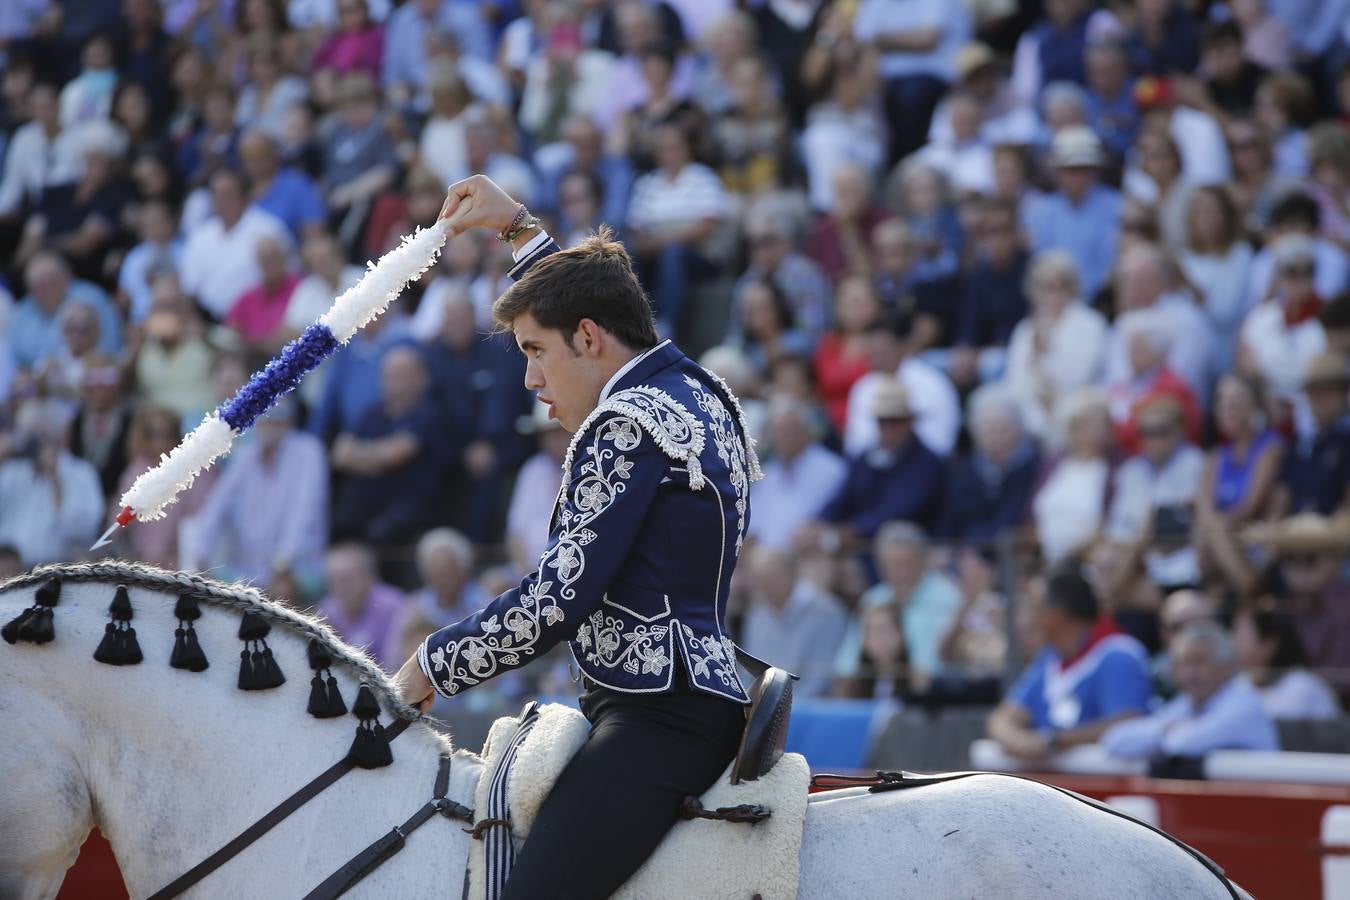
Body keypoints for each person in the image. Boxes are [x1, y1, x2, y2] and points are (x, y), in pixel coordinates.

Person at [395, 174, 756, 900]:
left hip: (659, 715)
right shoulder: (697, 391)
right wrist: (520, 230)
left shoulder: (622, 425)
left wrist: (430, 666)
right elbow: (590, 299)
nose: (531, 378)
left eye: (534, 352)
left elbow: (556, 600)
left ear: (589, 339)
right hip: (698, 697)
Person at [986, 567, 1151, 760]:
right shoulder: (1049, 658)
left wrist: (1054, 741)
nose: (1026, 620)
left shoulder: (1119, 654)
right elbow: (1003, 717)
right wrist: (1018, 741)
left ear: (1057, 614)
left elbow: (1129, 724)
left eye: (1033, 608)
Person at [1100, 622, 1279, 761]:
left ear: (1226, 666)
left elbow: (1183, 744)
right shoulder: (1187, 703)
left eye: (1199, 662)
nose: (1190, 673)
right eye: (1182, 663)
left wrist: (1168, 731)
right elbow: (1114, 740)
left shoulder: (1244, 701)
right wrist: (1166, 729)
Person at [740, 543, 849, 697]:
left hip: (810, 710)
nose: (763, 585)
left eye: (770, 576)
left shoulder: (827, 612)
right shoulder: (757, 613)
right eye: (758, 578)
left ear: (791, 574)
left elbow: (821, 677)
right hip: (763, 709)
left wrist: (779, 709)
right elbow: (748, 673)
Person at [1232, 602, 1341, 720]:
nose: (1232, 640)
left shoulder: (1301, 686)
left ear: (1269, 644)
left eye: (1240, 633)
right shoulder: (1241, 681)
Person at [318, 542, 406, 669]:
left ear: (369, 578)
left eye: (346, 580)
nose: (339, 588)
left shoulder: (394, 607)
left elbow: (396, 662)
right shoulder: (326, 611)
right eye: (332, 581)